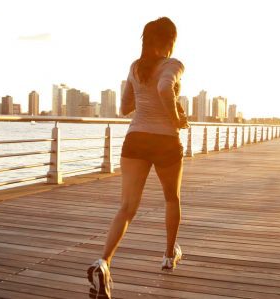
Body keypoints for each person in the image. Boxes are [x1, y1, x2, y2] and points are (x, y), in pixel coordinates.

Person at [87, 17, 186, 299]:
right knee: (171, 198)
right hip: (165, 140)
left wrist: (146, 99)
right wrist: (176, 117)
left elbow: (124, 107)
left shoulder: (135, 67)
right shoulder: (173, 65)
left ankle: (104, 262)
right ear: (169, 41)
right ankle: (169, 255)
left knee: (127, 207)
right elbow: (165, 88)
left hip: (136, 139)